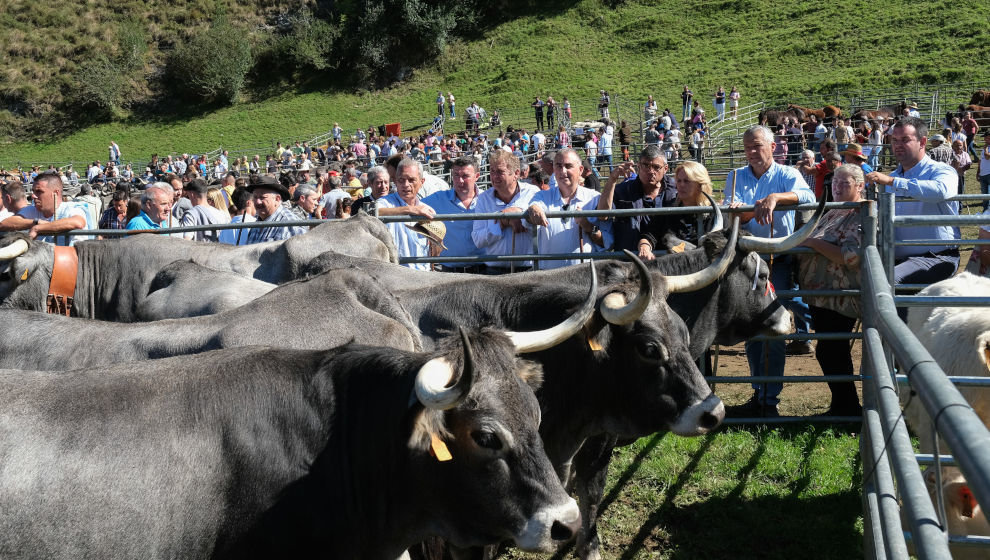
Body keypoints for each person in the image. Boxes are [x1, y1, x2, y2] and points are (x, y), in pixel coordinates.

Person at [724, 125, 816, 417]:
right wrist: (750, 210)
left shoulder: (787, 174)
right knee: (755, 327)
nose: (751, 152)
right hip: (748, 260)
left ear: (773, 147)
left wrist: (775, 198)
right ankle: (761, 394)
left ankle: (768, 399)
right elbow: (733, 213)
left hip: (779, 256)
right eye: (747, 147)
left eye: (757, 146)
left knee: (770, 325)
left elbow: (806, 196)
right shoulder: (735, 175)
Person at [865, 117, 960, 306]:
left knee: (887, 284)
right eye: (894, 140)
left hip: (936, 256)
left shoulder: (942, 171)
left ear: (922, 142)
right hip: (896, 257)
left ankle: (895, 334)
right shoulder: (891, 177)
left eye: (905, 140)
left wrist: (893, 183)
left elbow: (941, 190)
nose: (898, 145)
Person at [797, 164, 866, 416]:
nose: (837, 187)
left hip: (841, 295)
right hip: (820, 295)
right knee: (829, 349)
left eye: (844, 183)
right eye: (835, 182)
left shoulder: (860, 213)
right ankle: (843, 405)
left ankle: (847, 407)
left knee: (832, 348)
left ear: (860, 186)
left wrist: (811, 243)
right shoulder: (832, 212)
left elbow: (850, 257)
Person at [524, 148, 609, 270]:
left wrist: (588, 226)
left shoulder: (594, 198)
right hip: (547, 276)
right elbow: (530, 213)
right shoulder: (542, 196)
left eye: (568, 166)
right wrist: (533, 209)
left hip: (583, 275)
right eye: (558, 166)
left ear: (580, 170)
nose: (563, 171)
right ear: (553, 169)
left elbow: (606, 242)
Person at [596, 145, 677, 261]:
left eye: (656, 167)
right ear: (638, 166)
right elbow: (602, 215)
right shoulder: (623, 190)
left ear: (666, 168)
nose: (650, 171)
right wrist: (612, 180)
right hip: (630, 260)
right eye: (646, 165)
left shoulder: (676, 191)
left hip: (668, 259)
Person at [471, 150, 539, 274]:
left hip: (527, 271)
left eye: (500, 172)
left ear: (516, 173)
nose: (494, 176)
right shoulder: (484, 199)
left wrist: (519, 214)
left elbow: (542, 229)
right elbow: (478, 240)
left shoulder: (532, 193)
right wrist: (501, 223)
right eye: (492, 171)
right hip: (494, 271)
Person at [421, 156, 486, 273]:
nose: (460, 180)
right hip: (450, 271)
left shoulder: (488, 199)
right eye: (456, 175)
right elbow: (412, 205)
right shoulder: (439, 199)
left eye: (465, 176)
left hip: (483, 269)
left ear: (477, 176)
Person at [375, 158, 437, 271]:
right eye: (401, 180)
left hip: (423, 273)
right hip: (395, 275)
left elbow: (433, 249)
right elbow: (374, 212)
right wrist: (409, 210)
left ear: (421, 182)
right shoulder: (385, 202)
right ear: (395, 181)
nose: (405, 185)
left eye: (411, 180)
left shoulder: (427, 210)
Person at [0, 172, 91, 245]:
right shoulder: (32, 210)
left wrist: (38, 228)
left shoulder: (71, 209)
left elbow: (78, 222)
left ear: (55, 193)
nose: (33, 196)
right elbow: (4, 224)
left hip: (66, 265)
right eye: (33, 191)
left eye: (39, 191)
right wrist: (36, 222)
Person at [244, 175, 307, 244]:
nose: (258, 202)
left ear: (277, 199)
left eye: (263, 197)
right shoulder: (257, 223)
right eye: (255, 197)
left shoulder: (290, 225)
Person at [666, 160, 716, 243]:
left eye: (687, 181)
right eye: (679, 181)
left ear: (700, 185)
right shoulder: (671, 211)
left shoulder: (714, 213)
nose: (681, 185)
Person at [980, 131, 990, 211]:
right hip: (983, 174)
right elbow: (981, 160)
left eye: (986, 137)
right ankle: (985, 210)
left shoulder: (985, 148)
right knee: (984, 194)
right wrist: (978, 172)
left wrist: (985, 148)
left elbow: (987, 157)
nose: (984, 139)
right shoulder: (985, 147)